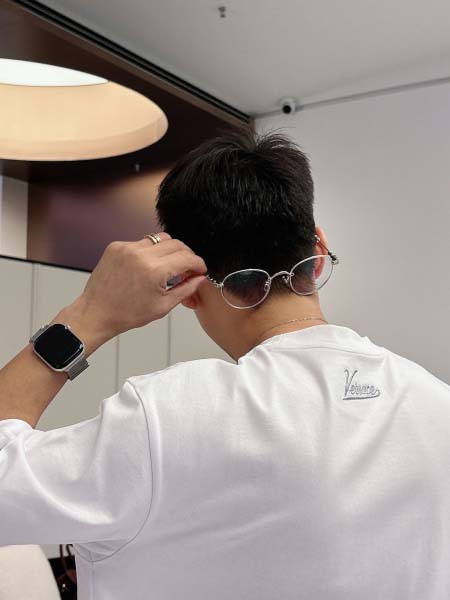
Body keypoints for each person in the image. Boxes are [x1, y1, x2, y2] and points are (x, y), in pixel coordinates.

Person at [0, 128, 449, 600]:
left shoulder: (165, 421)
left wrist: (89, 315)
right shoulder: (436, 404)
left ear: (186, 283)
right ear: (318, 251)